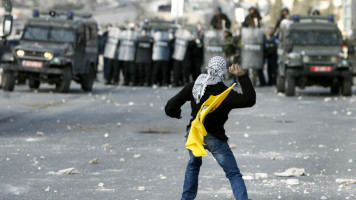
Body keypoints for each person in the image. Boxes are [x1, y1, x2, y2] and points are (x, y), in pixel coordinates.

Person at [165, 56, 256, 200]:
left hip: (195, 134)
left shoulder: (195, 86)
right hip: (215, 137)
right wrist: (242, 76)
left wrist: (177, 114)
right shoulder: (226, 94)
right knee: (233, 173)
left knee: (193, 166)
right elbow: (249, 100)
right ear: (223, 72)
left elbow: (170, 107)